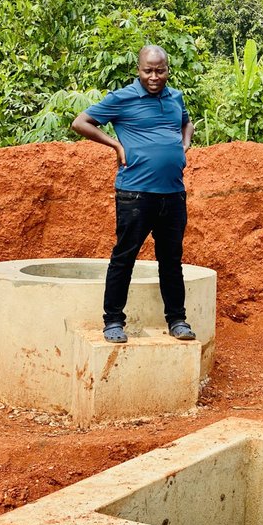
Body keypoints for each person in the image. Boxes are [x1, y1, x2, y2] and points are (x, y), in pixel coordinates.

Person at [72, 45, 196, 343]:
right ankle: (113, 321)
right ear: (138, 70)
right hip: (135, 194)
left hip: (173, 194)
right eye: (148, 70)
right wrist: (115, 145)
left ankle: (177, 320)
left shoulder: (175, 97)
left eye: (160, 70)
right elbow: (80, 122)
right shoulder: (122, 98)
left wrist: (184, 145)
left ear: (168, 69)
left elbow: (187, 122)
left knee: (171, 260)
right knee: (124, 257)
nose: (154, 76)